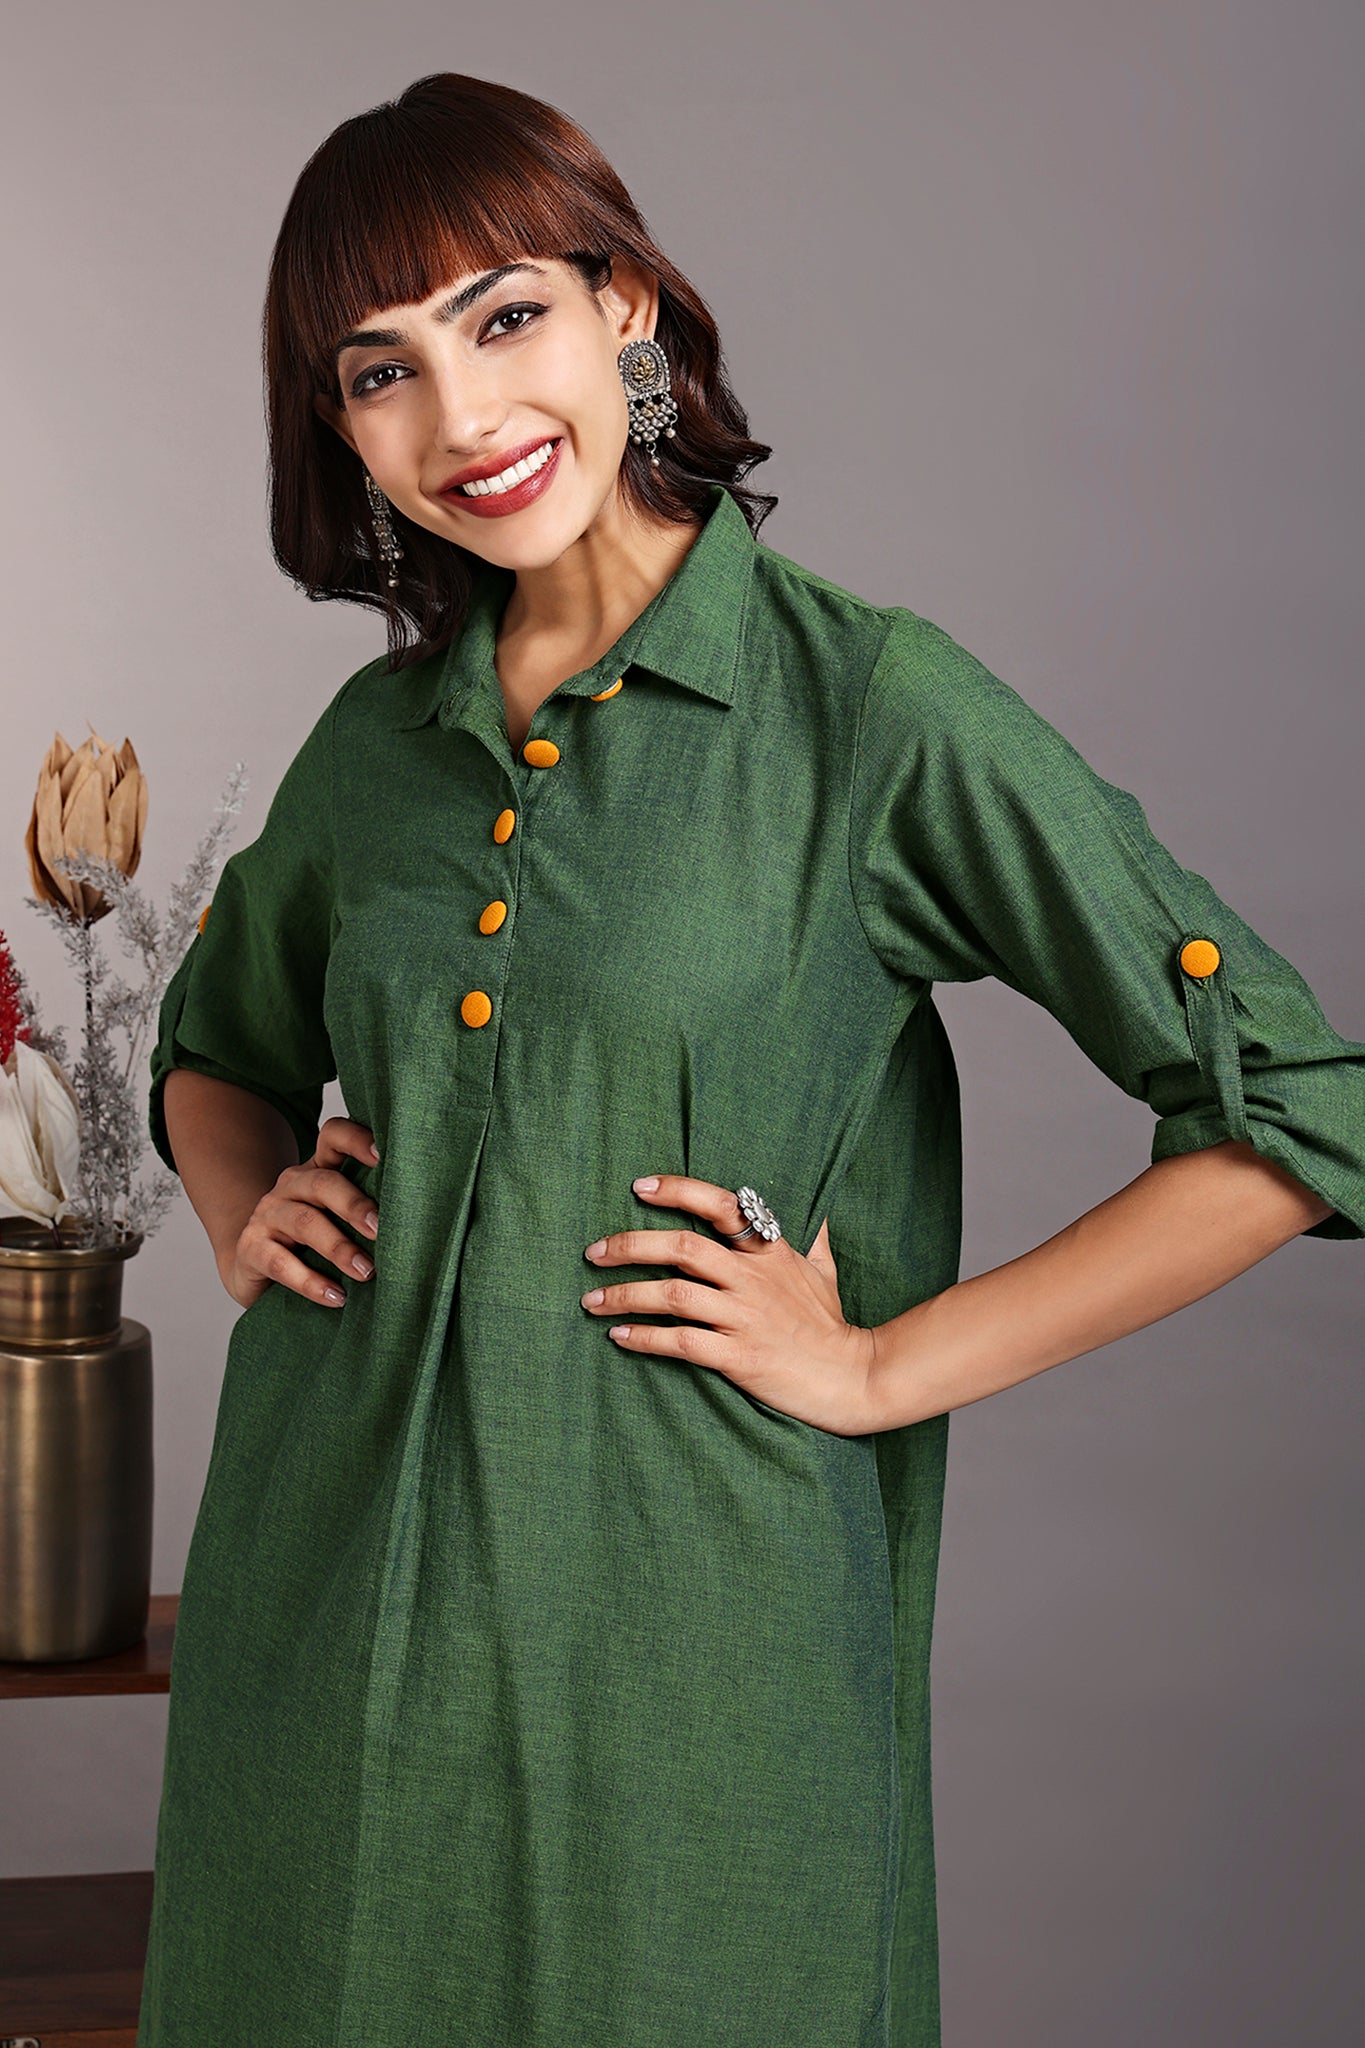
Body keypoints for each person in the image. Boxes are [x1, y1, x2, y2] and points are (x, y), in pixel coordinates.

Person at [136, 69, 1365, 2048]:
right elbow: (217, 1049)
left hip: (696, 1679)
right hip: (318, 1647)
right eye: (378, 371)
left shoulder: (868, 708)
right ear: (337, 422)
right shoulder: (375, 749)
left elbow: (1302, 1110)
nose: (458, 416)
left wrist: (881, 1363)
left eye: (502, 317)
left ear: (623, 306)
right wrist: (235, 1205)